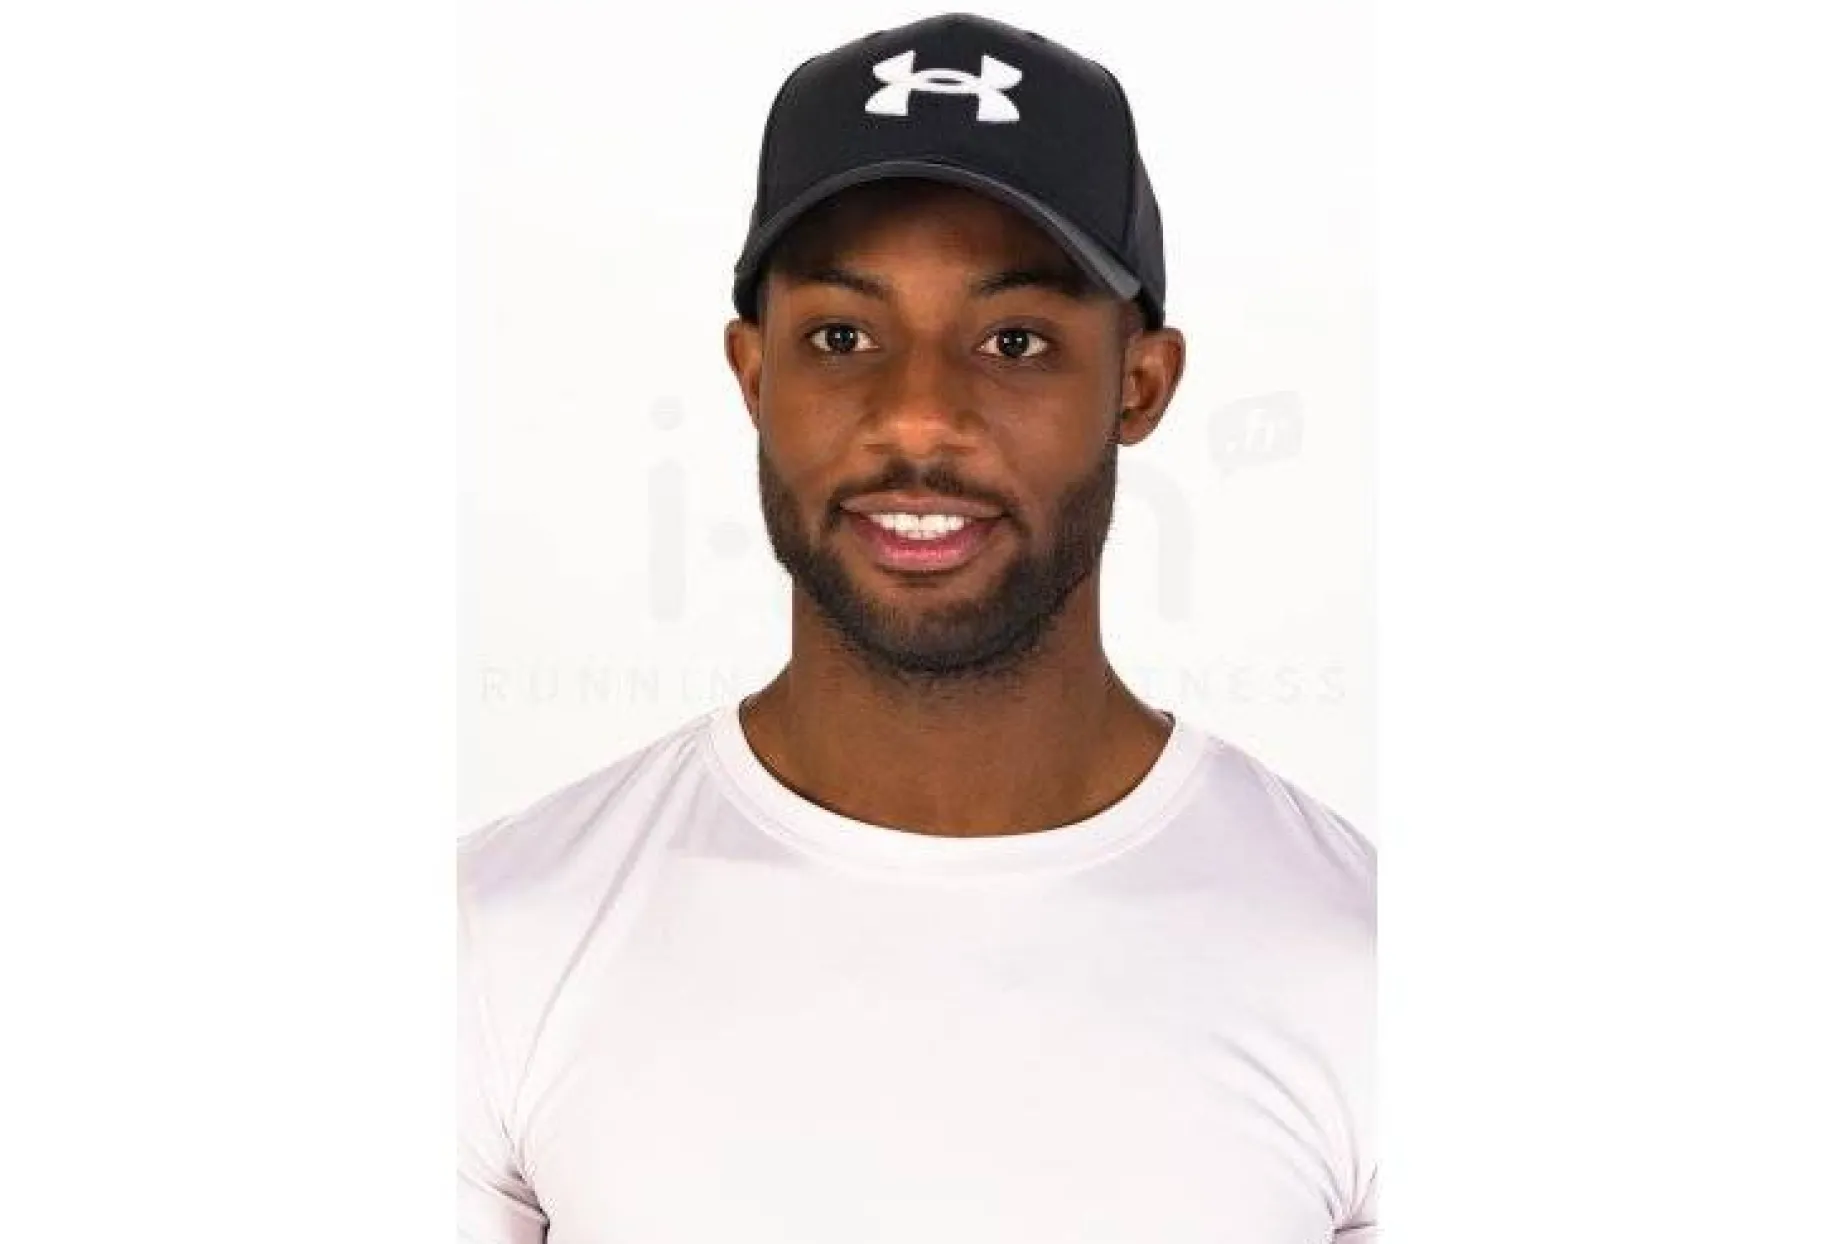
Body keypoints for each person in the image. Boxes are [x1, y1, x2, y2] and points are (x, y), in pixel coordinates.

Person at [458, 13, 1375, 1242]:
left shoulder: (1362, 966)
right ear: (754, 375)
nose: (919, 417)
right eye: (841, 336)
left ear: (1139, 382)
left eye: (1015, 341)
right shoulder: (499, 941)